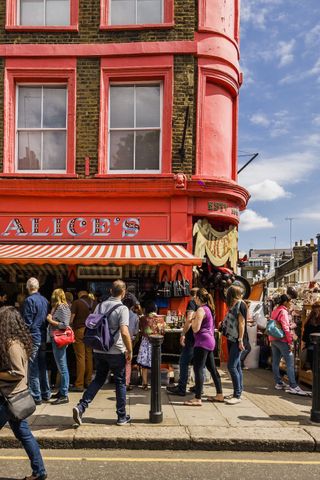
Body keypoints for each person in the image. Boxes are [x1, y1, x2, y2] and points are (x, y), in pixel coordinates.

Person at [72, 280, 133, 426]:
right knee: (119, 382)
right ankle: (121, 416)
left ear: (111, 291)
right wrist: (129, 350)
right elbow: (124, 332)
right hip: (116, 350)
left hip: (99, 349)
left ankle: (81, 407)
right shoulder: (122, 309)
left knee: (98, 379)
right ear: (123, 292)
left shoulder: (99, 305)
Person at [0, 306, 47, 480]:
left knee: (24, 434)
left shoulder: (12, 345)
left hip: (9, 398)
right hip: (15, 397)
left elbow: (18, 372)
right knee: (24, 434)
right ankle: (40, 471)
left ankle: (40, 471)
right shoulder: (18, 341)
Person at [184, 288, 223, 406]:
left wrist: (192, 319)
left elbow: (196, 328)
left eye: (195, 297)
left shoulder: (200, 309)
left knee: (198, 369)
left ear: (199, 298)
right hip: (210, 341)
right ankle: (219, 394)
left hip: (202, 342)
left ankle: (197, 398)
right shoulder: (209, 309)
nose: (194, 299)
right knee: (212, 368)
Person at [269, 293, 307, 395]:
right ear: (286, 302)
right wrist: (290, 341)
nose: (291, 304)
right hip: (282, 340)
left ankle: (278, 383)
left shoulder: (275, 310)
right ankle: (293, 385)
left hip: (273, 338)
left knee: (275, 362)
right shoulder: (283, 311)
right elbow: (285, 327)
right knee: (290, 362)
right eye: (290, 302)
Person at [167, 288, 201, 396]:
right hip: (200, 338)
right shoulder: (205, 305)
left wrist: (183, 334)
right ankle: (199, 387)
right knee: (198, 364)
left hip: (191, 338)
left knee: (183, 362)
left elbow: (189, 320)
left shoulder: (192, 302)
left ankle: (181, 388)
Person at [22, 278, 51, 405]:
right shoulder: (44, 300)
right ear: (37, 287)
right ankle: (46, 392)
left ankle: (36, 395)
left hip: (33, 336)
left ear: (28, 287)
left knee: (33, 367)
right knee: (42, 365)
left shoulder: (29, 300)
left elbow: (27, 321)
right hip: (42, 335)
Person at [223, 285, 249, 405]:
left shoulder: (240, 304)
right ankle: (238, 391)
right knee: (237, 366)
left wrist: (240, 340)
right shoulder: (233, 305)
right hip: (231, 338)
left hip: (237, 339)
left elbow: (242, 323)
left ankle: (237, 395)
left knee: (231, 366)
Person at [47, 288, 71, 405]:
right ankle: (62, 391)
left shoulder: (63, 307)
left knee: (62, 367)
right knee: (60, 365)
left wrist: (51, 321)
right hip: (55, 338)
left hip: (59, 339)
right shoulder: (57, 306)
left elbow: (65, 324)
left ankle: (64, 394)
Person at [70, 291, 97, 392]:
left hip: (79, 330)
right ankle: (88, 381)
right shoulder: (94, 303)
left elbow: (71, 319)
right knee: (89, 356)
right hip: (90, 331)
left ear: (79, 295)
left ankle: (79, 384)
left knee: (80, 357)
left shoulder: (76, 303)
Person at [136, 302, 165, 389]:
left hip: (146, 342)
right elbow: (163, 331)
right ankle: (155, 383)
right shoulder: (161, 319)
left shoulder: (143, 319)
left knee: (145, 365)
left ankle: (145, 383)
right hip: (157, 343)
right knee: (155, 363)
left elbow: (141, 330)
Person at [122, 295, 140, 390]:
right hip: (130, 340)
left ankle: (119, 382)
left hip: (119, 340)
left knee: (119, 362)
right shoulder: (135, 316)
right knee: (128, 362)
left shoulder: (118, 313)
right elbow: (136, 332)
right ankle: (126, 382)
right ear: (132, 306)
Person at [301, 301, 320, 370]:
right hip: (313, 346)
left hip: (311, 346)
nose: (316, 310)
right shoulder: (310, 319)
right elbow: (306, 332)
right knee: (314, 366)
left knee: (313, 365)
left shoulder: (309, 319)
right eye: (316, 308)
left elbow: (305, 333)